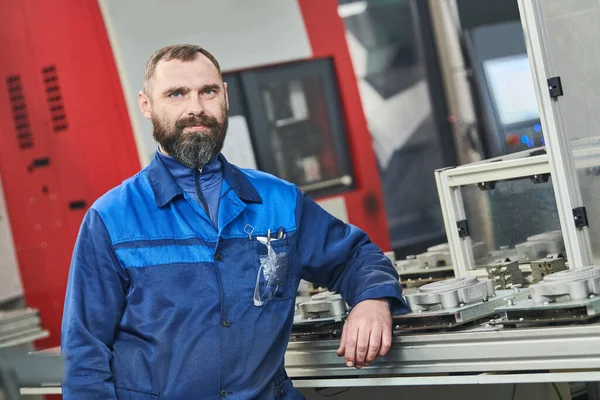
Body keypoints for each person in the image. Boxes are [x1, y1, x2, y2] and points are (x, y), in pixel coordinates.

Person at [61, 44, 408, 399]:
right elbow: (85, 352)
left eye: (207, 91)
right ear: (147, 105)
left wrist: (372, 301)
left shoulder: (279, 201)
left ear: (225, 96)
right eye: (176, 94)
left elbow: (355, 257)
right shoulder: (112, 219)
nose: (195, 108)